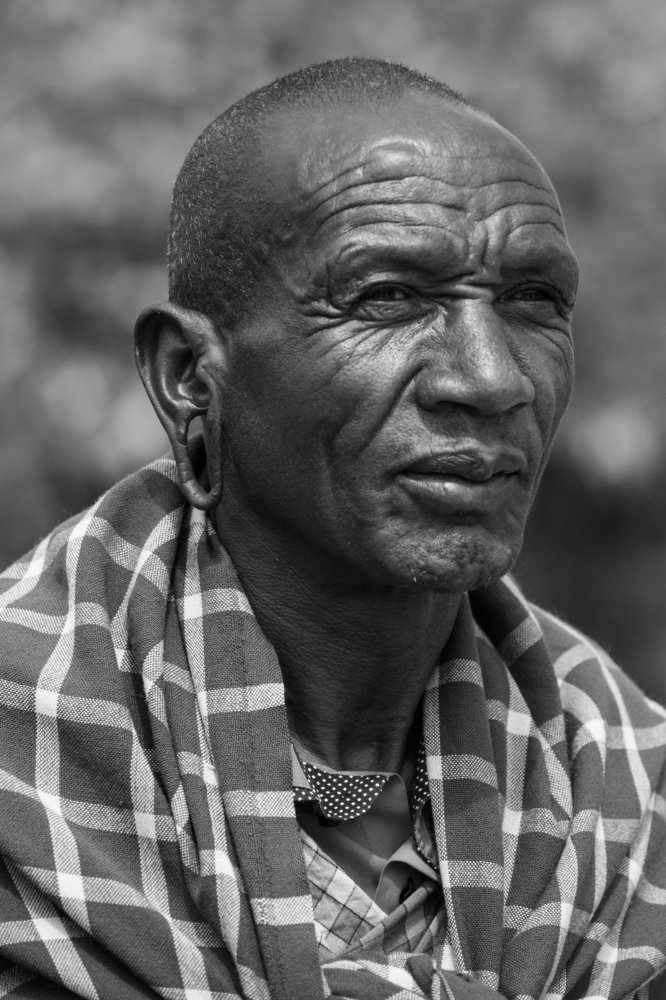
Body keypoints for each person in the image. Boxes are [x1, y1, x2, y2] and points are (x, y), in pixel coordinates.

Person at [0, 57, 664, 1000]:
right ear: (191, 376)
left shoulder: (625, 786)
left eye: (533, 304)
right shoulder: (24, 735)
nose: (491, 378)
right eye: (388, 297)